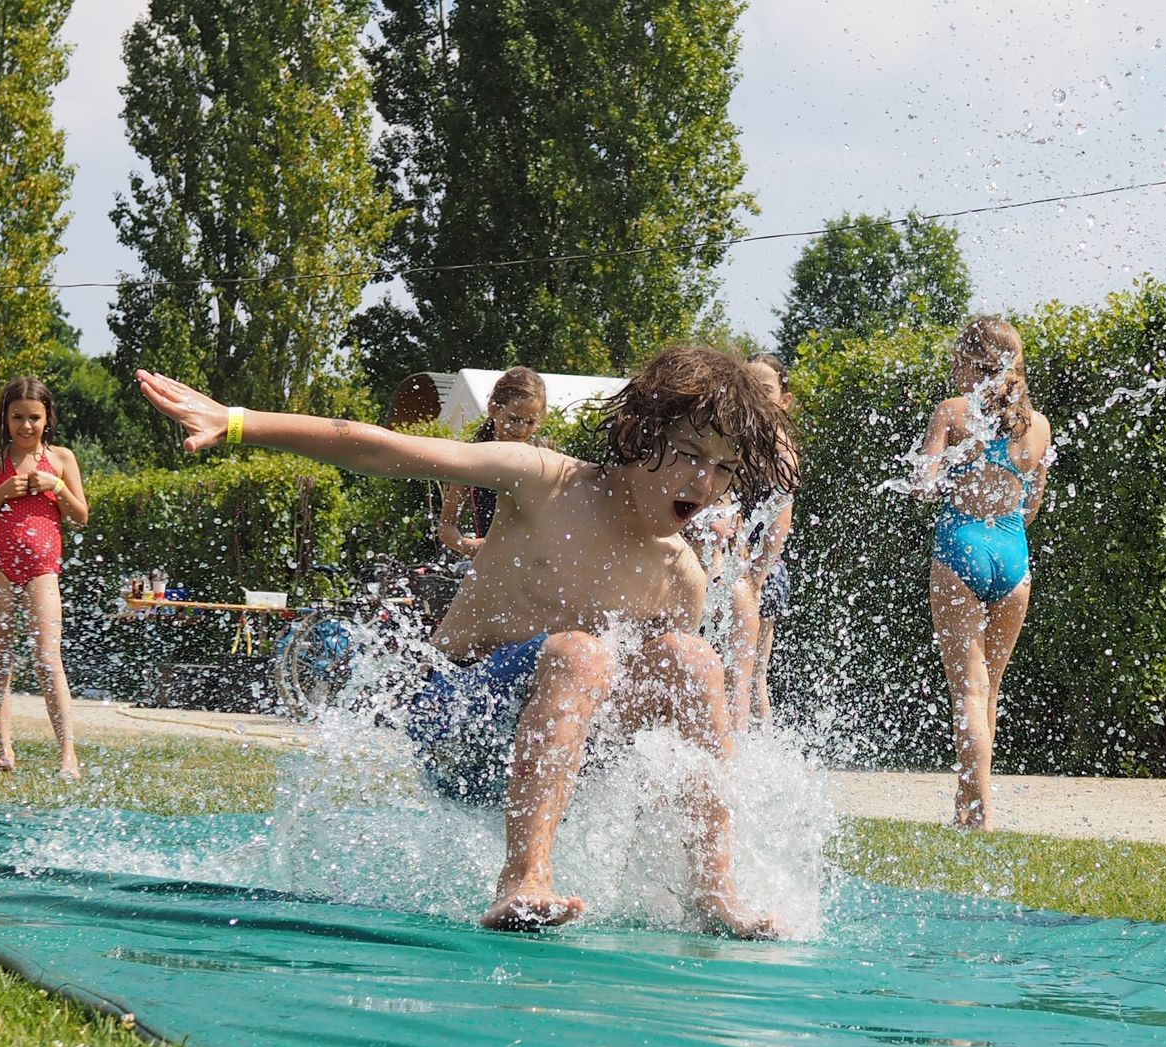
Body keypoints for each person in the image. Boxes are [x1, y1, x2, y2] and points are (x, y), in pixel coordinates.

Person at [138, 346, 797, 938]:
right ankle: (524, 880)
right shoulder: (547, 483)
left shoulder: (680, 573)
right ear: (639, 434)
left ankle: (713, 890)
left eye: (724, 467)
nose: (703, 482)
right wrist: (238, 421)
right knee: (580, 651)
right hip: (454, 723)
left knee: (692, 660)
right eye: (687, 453)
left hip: (559, 753)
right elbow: (379, 449)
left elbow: (666, 733)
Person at [913, 318, 1051, 830]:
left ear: (976, 364)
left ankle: (980, 812)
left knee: (967, 691)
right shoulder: (1039, 425)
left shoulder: (951, 413)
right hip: (1014, 554)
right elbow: (1031, 504)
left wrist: (936, 475)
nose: (952, 368)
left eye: (957, 359)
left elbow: (923, 484)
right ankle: (968, 804)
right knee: (989, 690)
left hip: (962, 545)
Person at [0, 376, 90, 779]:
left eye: (33, 418)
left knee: (47, 659)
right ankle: (4, 749)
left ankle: (67, 754)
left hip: (43, 570)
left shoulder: (61, 460)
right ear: (4, 418)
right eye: (17, 417)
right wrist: (1, 493)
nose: (25, 426)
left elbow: (81, 516)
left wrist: (56, 486)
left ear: (47, 418)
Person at [436, 367, 547, 558]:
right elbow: (446, 526)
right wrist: (465, 545)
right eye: (514, 419)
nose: (521, 429)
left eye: (530, 422)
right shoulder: (472, 461)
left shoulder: (543, 461)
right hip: (491, 565)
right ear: (494, 409)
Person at [741, 354, 797, 727]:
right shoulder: (733, 436)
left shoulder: (780, 447)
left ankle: (754, 753)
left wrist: (758, 575)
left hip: (762, 570)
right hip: (729, 564)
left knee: (751, 675)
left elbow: (782, 516)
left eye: (765, 391)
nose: (757, 399)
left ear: (783, 399)